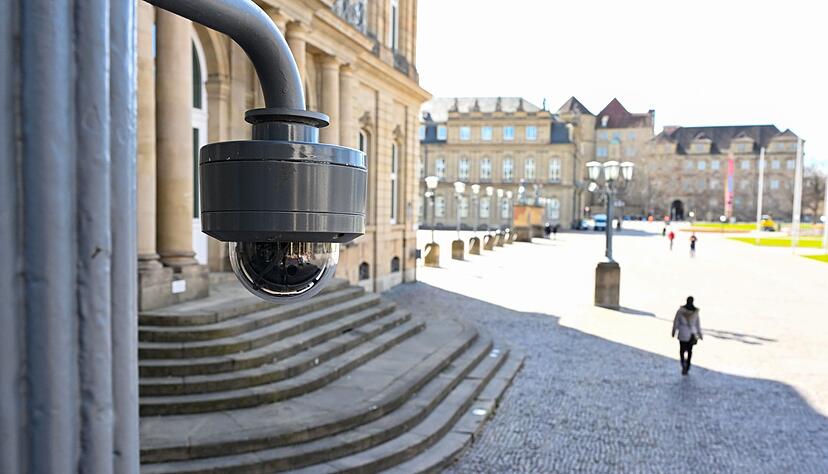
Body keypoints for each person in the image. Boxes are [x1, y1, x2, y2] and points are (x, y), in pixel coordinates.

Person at [672, 296, 703, 375]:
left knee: (682, 350)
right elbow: (697, 324)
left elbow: (676, 321)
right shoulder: (695, 312)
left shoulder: (680, 311)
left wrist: (674, 331)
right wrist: (699, 334)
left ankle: (683, 364)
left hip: (682, 332)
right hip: (692, 333)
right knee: (690, 351)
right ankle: (687, 366)